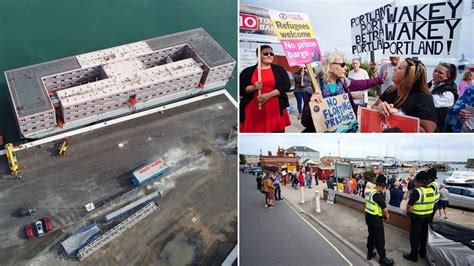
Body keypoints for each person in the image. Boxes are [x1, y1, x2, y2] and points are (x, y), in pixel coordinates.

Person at [301, 51, 384, 132]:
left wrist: (379, 79)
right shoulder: (313, 88)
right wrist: (311, 104)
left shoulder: (344, 82)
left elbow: (363, 83)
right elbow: (305, 122)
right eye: (342, 65)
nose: (346, 68)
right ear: (330, 67)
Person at [372, 58, 437, 132]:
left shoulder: (423, 98)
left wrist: (399, 116)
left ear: (409, 76)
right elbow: (372, 107)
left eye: (399, 68)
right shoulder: (390, 90)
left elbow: (427, 132)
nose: (394, 69)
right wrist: (379, 108)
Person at [240, 45, 291, 132]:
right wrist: (254, 87)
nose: (269, 55)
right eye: (265, 53)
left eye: (271, 53)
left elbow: (286, 85)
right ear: (258, 55)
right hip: (254, 110)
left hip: (274, 109)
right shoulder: (247, 71)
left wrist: (268, 95)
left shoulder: (279, 69)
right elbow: (241, 88)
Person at [403, 171, 435, 262]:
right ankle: (422, 253)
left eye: (415, 181)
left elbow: (409, 206)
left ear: (418, 181)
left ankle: (413, 256)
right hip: (428, 217)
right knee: (423, 236)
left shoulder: (417, 191)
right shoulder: (432, 190)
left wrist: (409, 214)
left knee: (414, 237)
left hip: (417, 218)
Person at [365, 175, 394, 265]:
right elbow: (385, 209)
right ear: (382, 185)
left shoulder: (371, 191)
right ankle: (382, 258)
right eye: (384, 186)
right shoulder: (378, 195)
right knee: (380, 238)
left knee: (371, 235)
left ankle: (370, 253)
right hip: (375, 219)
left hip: (368, 217)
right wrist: (387, 216)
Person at [428, 63, 459, 132]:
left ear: (447, 77)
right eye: (435, 71)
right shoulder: (430, 84)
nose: (436, 74)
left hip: (440, 128)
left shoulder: (449, 93)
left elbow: (429, 102)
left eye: (440, 73)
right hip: (430, 125)